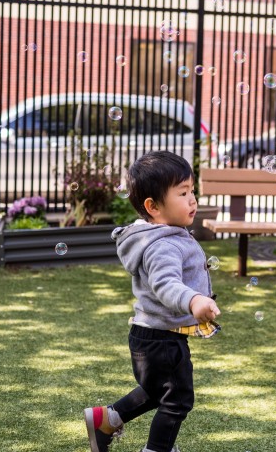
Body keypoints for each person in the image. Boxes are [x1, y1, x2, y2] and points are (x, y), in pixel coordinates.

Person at [83, 151, 221, 452]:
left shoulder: (160, 235)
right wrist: (194, 299)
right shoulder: (163, 245)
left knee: (159, 391)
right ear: (153, 207)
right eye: (183, 193)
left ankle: (106, 419)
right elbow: (165, 284)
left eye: (192, 190)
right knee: (178, 399)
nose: (192, 199)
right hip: (161, 340)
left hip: (151, 336)